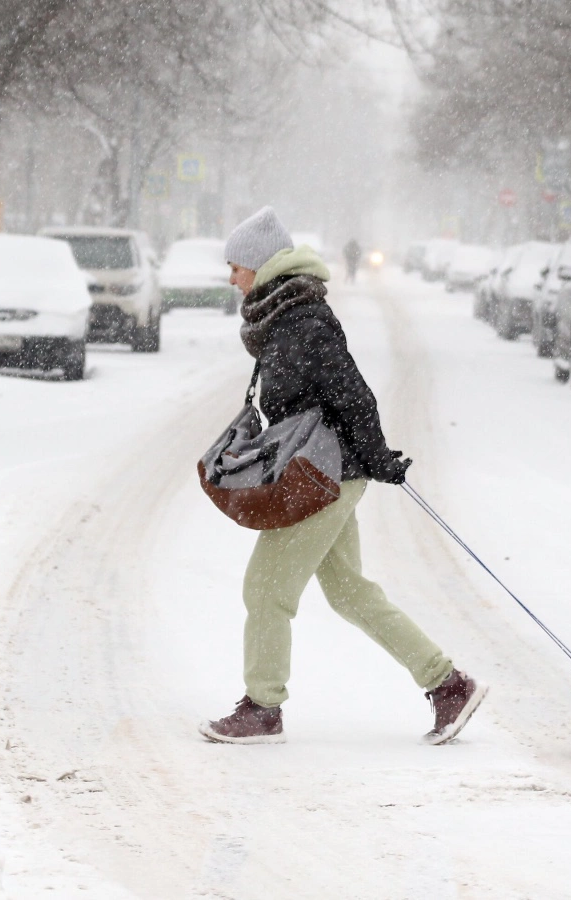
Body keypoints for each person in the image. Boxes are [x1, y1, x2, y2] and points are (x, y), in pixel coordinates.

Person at [201, 206, 486, 746]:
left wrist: (376, 456)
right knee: (350, 593)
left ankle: (263, 709)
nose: (231, 277)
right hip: (325, 472)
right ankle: (448, 685)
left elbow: (352, 392)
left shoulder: (302, 320)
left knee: (265, 590)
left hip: (323, 476)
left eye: (236, 266)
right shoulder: (283, 316)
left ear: (260, 267)